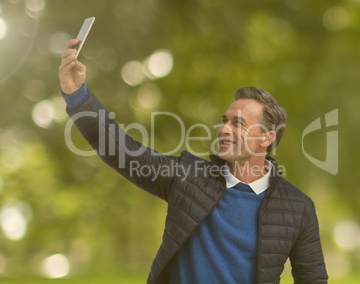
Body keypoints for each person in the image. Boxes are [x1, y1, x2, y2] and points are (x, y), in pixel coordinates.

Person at [59, 39, 328, 284]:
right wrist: (78, 96)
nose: (223, 130)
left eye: (238, 124)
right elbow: (123, 151)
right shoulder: (188, 177)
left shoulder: (297, 207)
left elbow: (312, 279)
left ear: (266, 138)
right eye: (224, 121)